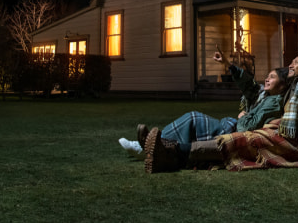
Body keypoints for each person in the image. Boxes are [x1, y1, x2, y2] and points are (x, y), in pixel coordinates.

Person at [145, 52, 298, 172]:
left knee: (242, 138)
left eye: (297, 62)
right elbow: (250, 86)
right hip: (279, 131)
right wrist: (228, 64)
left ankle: (168, 151)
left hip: (294, 139)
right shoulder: (289, 88)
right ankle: (162, 148)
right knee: (199, 121)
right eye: (291, 61)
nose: (291, 64)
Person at [117, 51, 275, 153]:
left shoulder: (274, 101)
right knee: (193, 124)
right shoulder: (262, 94)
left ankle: (147, 147)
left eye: (272, 77)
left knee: (193, 118)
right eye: (268, 76)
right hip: (232, 124)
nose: (267, 79)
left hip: (236, 129)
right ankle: (152, 146)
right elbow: (247, 84)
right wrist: (227, 64)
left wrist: (243, 117)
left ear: (282, 83)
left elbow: (250, 125)